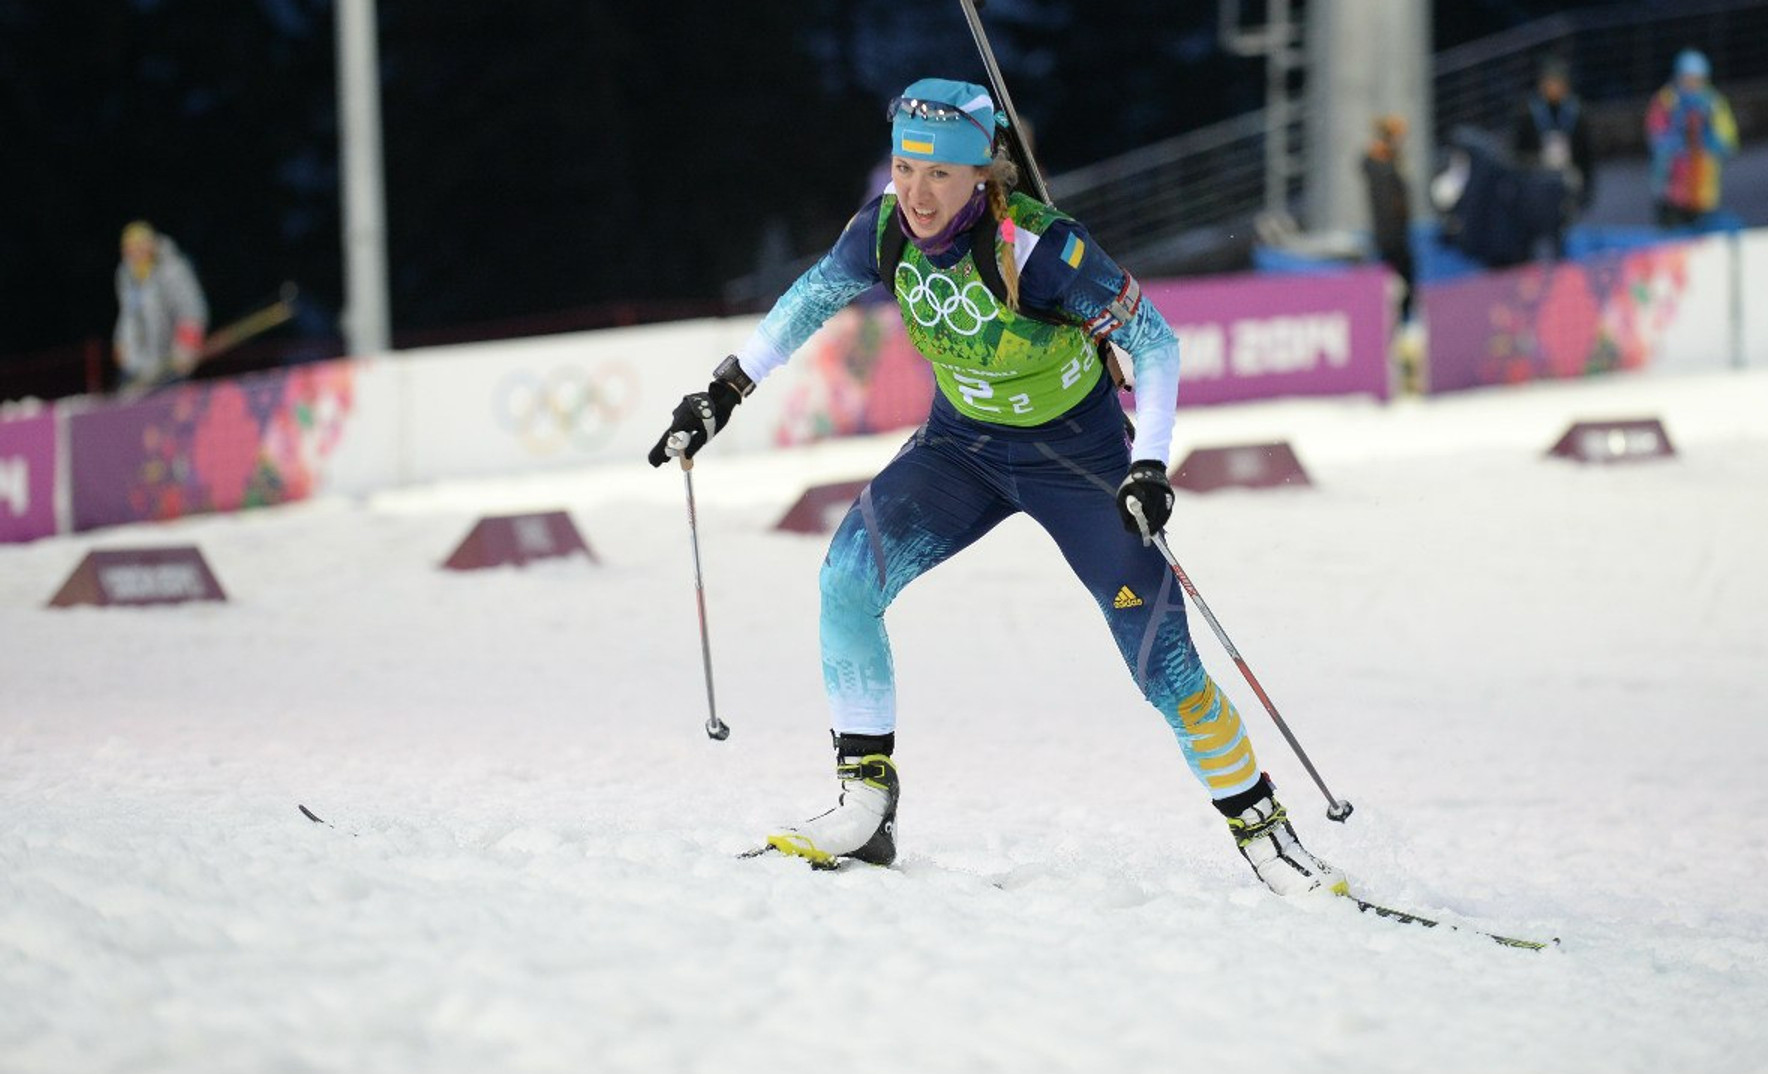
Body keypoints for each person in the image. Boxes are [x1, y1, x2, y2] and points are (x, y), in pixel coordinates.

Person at [648, 78, 1344, 898]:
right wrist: (724, 392)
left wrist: (1150, 464)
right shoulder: (882, 231)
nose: (916, 192)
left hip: (1078, 463)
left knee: (1162, 659)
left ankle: (1269, 840)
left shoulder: (1038, 246)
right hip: (961, 451)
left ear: (983, 172)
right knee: (846, 579)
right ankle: (866, 808)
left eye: (939, 174)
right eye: (906, 168)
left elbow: (1154, 343)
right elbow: (812, 298)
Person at [1511, 56, 1595, 259]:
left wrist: (1588, 189)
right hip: (1536, 181)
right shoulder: (1528, 113)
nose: (1554, 88)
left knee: (1562, 233)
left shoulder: (1577, 112)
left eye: (1558, 83)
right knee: (1532, 235)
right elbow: (1516, 152)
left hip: (1566, 180)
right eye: (1550, 83)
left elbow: (1587, 155)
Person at [1645, 49, 1739, 230]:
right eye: (1687, 78)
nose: (1691, 84)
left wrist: (1711, 142)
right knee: (1672, 243)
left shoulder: (1713, 103)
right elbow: (1655, 136)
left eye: (1696, 79)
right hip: (1671, 191)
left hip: (1703, 190)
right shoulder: (1665, 100)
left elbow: (1729, 140)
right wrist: (1676, 142)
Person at [113, 220, 208, 392]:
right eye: (130, 247)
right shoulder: (125, 274)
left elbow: (191, 309)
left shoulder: (172, 269)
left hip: (169, 362)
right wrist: (121, 342)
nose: (135, 251)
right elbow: (128, 314)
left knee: (169, 410)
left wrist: (186, 348)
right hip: (138, 366)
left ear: (151, 244)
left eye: (140, 245)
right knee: (129, 407)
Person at [1361, 114, 1415, 326]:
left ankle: (1403, 322)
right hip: (1390, 236)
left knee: (1405, 284)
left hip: (1398, 233)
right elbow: (1388, 204)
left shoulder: (1390, 162)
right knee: (1395, 285)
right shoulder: (1380, 165)